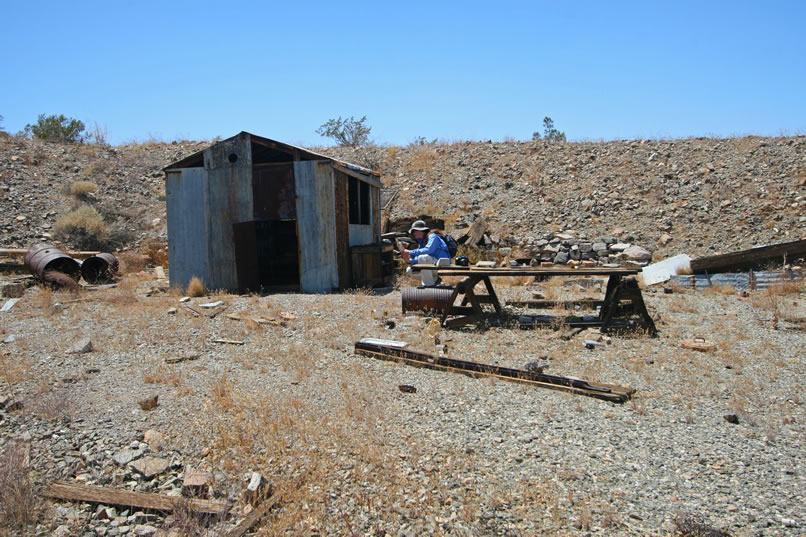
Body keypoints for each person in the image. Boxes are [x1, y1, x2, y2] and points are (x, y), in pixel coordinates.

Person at [400, 220, 451, 286]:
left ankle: (428, 286)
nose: (413, 234)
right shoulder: (422, 242)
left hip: (442, 263)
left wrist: (409, 252)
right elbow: (417, 259)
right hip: (433, 264)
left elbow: (429, 250)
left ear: (420, 231)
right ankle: (435, 280)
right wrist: (408, 261)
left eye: (414, 231)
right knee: (409, 270)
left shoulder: (433, 237)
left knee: (423, 257)